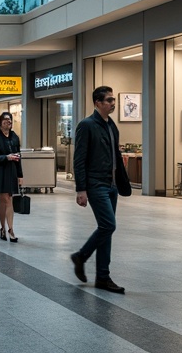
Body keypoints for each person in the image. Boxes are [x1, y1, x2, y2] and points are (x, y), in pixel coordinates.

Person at [70, 86, 131, 294]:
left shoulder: (111, 125)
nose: (113, 103)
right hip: (96, 183)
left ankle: (103, 277)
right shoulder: (86, 125)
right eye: (109, 100)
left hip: (112, 184)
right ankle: (81, 256)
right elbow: (79, 159)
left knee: (107, 231)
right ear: (97, 103)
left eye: (113, 100)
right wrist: (81, 189)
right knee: (108, 225)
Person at [0, 112, 24, 242]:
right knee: (6, 200)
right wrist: (6, 157)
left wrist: (20, 175)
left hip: (12, 171)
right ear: (0, 121)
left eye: (10, 119)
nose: (8, 121)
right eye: (5, 119)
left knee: (7, 200)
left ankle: (6, 228)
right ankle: (8, 229)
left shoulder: (15, 137)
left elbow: (19, 157)